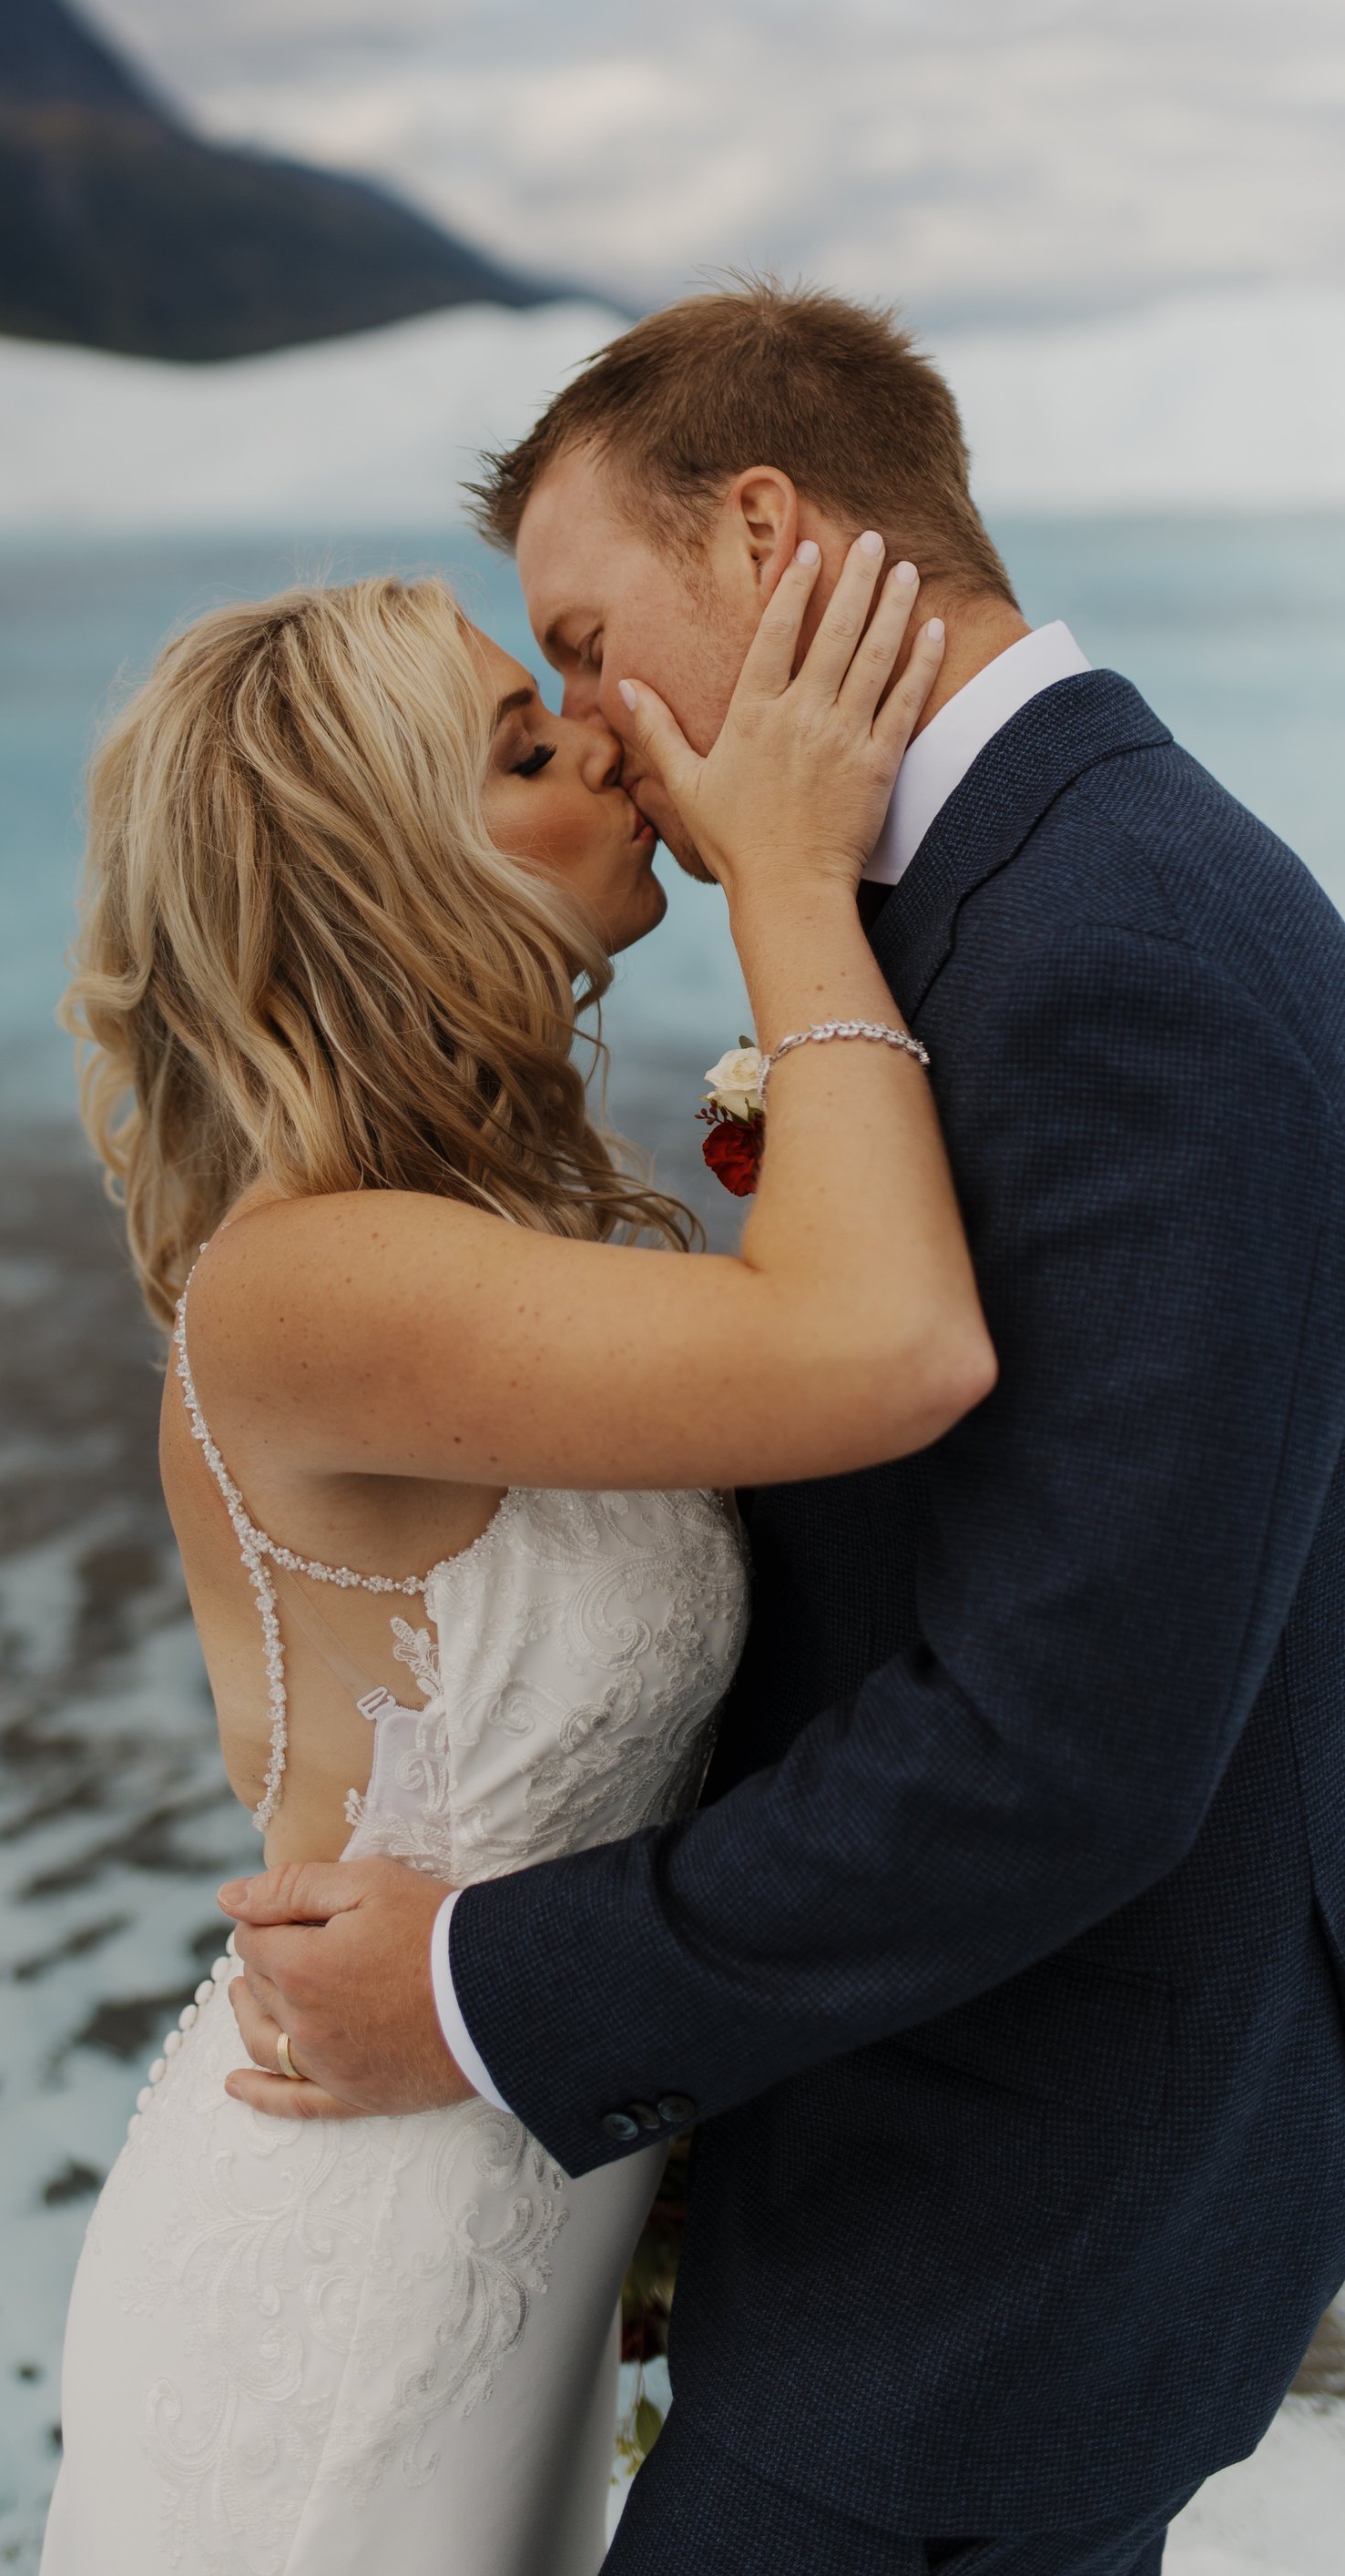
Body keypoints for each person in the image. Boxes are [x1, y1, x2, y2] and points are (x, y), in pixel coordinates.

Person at [220, 286, 1345, 2576]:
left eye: (587, 635)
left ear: (765, 528)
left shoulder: (1104, 950)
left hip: (988, 2247)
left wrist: (476, 1982)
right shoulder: (1032, 901)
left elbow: (1064, 1738)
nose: (607, 737)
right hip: (932, 2175)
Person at [42, 522, 992, 2575]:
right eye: (513, 745)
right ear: (378, 864)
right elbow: (889, 1343)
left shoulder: (500, 1239)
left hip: (520, 2199)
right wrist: (800, 884)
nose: (599, 745)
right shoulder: (310, 1286)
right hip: (344, 2280)